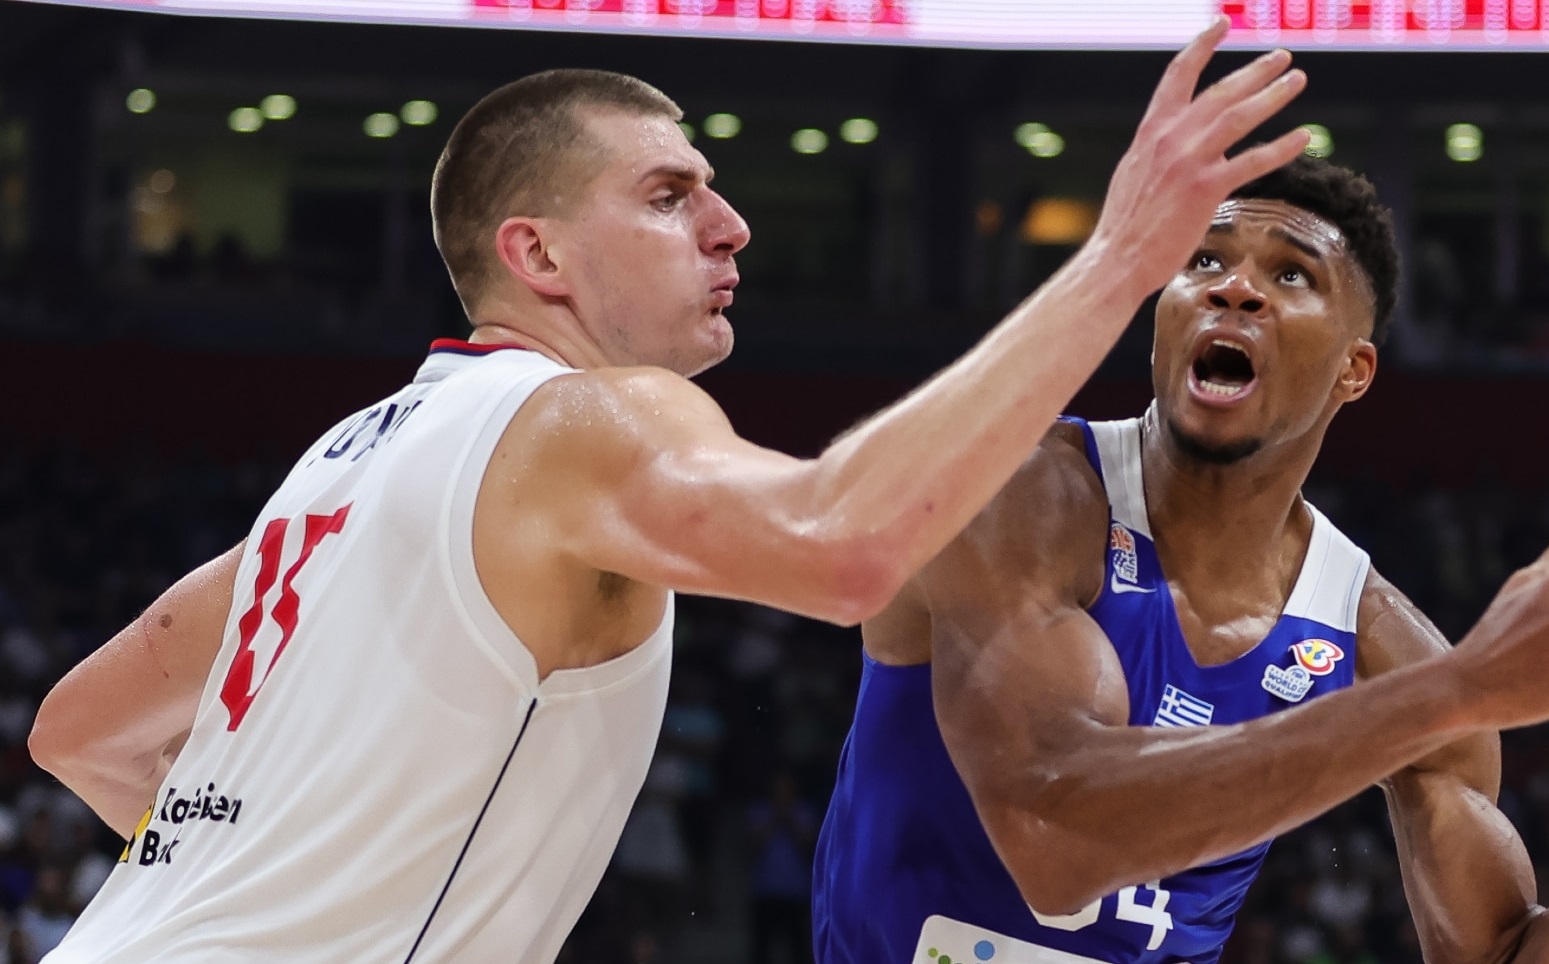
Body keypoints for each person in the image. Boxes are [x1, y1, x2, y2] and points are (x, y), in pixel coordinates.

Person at [26, 21, 1316, 961]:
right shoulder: (584, 416)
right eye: (668, 195)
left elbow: (79, 732)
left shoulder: (335, 474)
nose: (732, 223)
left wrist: (241, 864)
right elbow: (845, 545)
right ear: (536, 254)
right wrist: (1113, 264)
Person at [811, 157, 1549, 964]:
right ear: (1164, 316)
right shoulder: (1020, 493)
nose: (1234, 288)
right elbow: (1054, 835)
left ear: (1354, 370)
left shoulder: (1380, 643)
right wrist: (1457, 688)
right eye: (1206, 261)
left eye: (1289, 275)